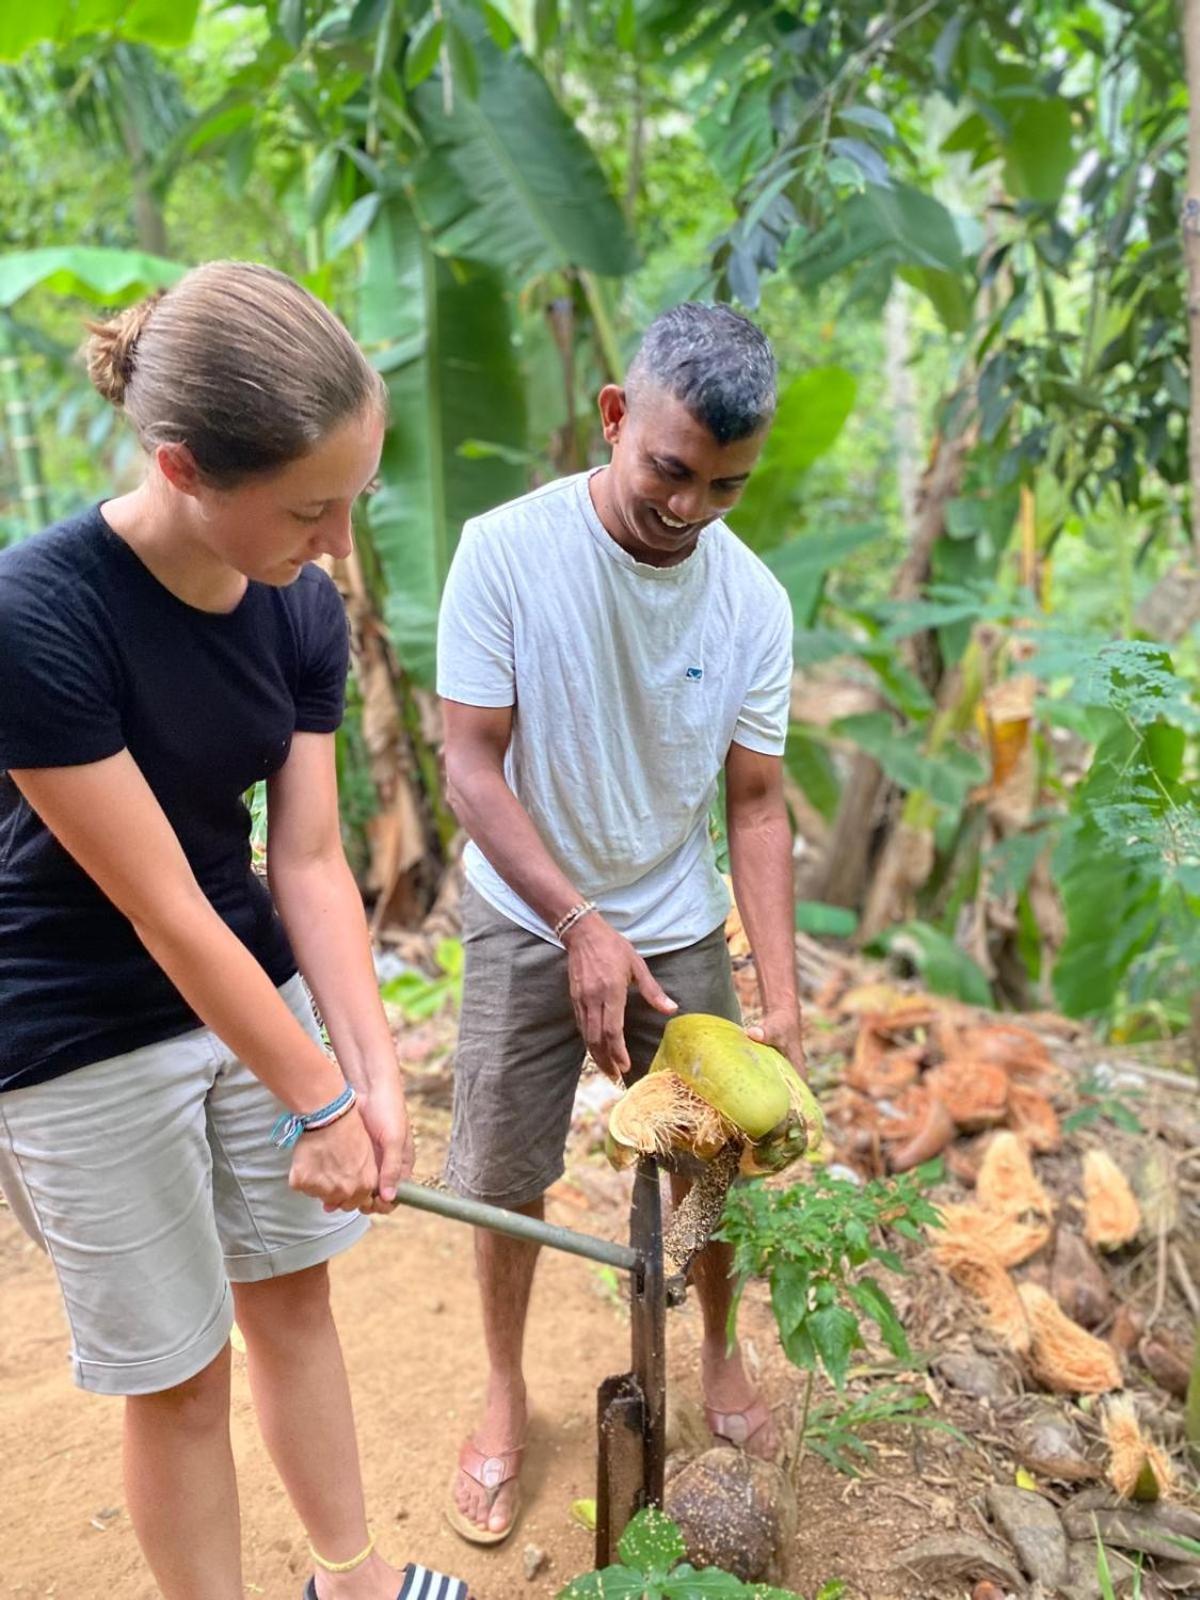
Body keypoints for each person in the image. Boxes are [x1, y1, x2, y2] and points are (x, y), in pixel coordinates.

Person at [0, 262, 469, 1600]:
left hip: (253, 990)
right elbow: (162, 911)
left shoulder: (301, 604)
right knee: (183, 1376)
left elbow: (308, 861)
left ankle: (356, 1584)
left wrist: (371, 1079)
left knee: (293, 1299)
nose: (337, 547)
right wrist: (316, 1097)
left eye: (356, 500)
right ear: (184, 467)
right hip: (80, 1028)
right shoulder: (38, 615)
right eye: (310, 509)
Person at [436, 301, 803, 1544]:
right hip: (521, 906)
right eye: (671, 470)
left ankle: (719, 1344)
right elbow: (470, 767)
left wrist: (786, 999)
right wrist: (577, 919)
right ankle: (502, 1386)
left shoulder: (753, 603)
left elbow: (756, 806)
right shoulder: (505, 549)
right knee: (500, 1167)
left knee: (716, 1151)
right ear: (613, 417)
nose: (691, 507)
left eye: (727, 486)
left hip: (677, 911)